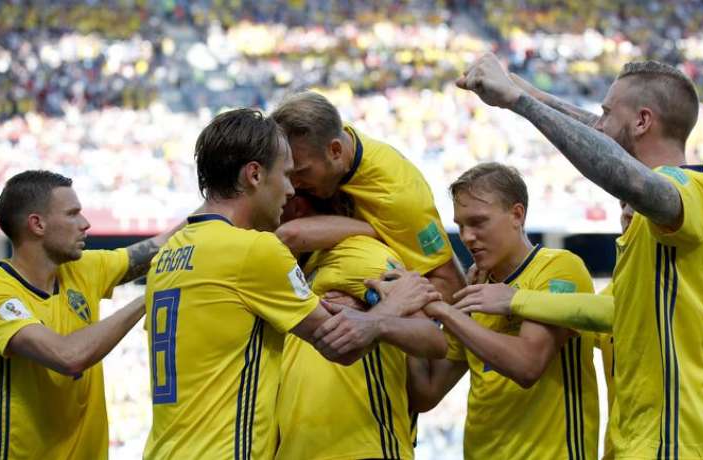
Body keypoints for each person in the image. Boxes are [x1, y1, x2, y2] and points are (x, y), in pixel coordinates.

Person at [457, 54, 703, 458]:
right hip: (658, 438)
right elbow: (612, 312)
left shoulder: (691, 192)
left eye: (607, 112)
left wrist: (520, 103)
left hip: (680, 441)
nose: (598, 121)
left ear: (643, 121)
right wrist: (529, 92)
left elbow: (625, 174)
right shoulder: (660, 237)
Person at [142, 108, 441, 459]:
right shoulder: (254, 252)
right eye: (286, 176)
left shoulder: (169, 255)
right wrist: (390, 306)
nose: (289, 188)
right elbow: (342, 344)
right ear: (254, 175)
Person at [0, 169, 185, 459]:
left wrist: (220, 204)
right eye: (72, 214)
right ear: (37, 224)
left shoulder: (81, 269)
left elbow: (162, 245)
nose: (85, 223)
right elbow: (68, 357)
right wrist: (151, 296)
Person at [407, 162, 599, 460]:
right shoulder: (474, 290)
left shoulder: (559, 268)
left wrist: (445, 312)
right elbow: (427, 393)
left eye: (478, 222)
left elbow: (527, 365)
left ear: (517, 215)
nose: (467, 236)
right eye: (460, 225)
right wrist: (409, 311)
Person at [276, 194, 447, 460]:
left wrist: (375, 320)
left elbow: (432, 339)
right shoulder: (299, 268)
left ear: (299, 206)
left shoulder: (361, 252)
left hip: (364, 448)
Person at [270, 91, 466, 302]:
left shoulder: (399, 197)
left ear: (335, 150)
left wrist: (373, 310)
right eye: (288, 173)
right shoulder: (317, 139)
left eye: (301, 172)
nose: (292, 185)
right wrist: (376, 232)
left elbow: (449, 285)